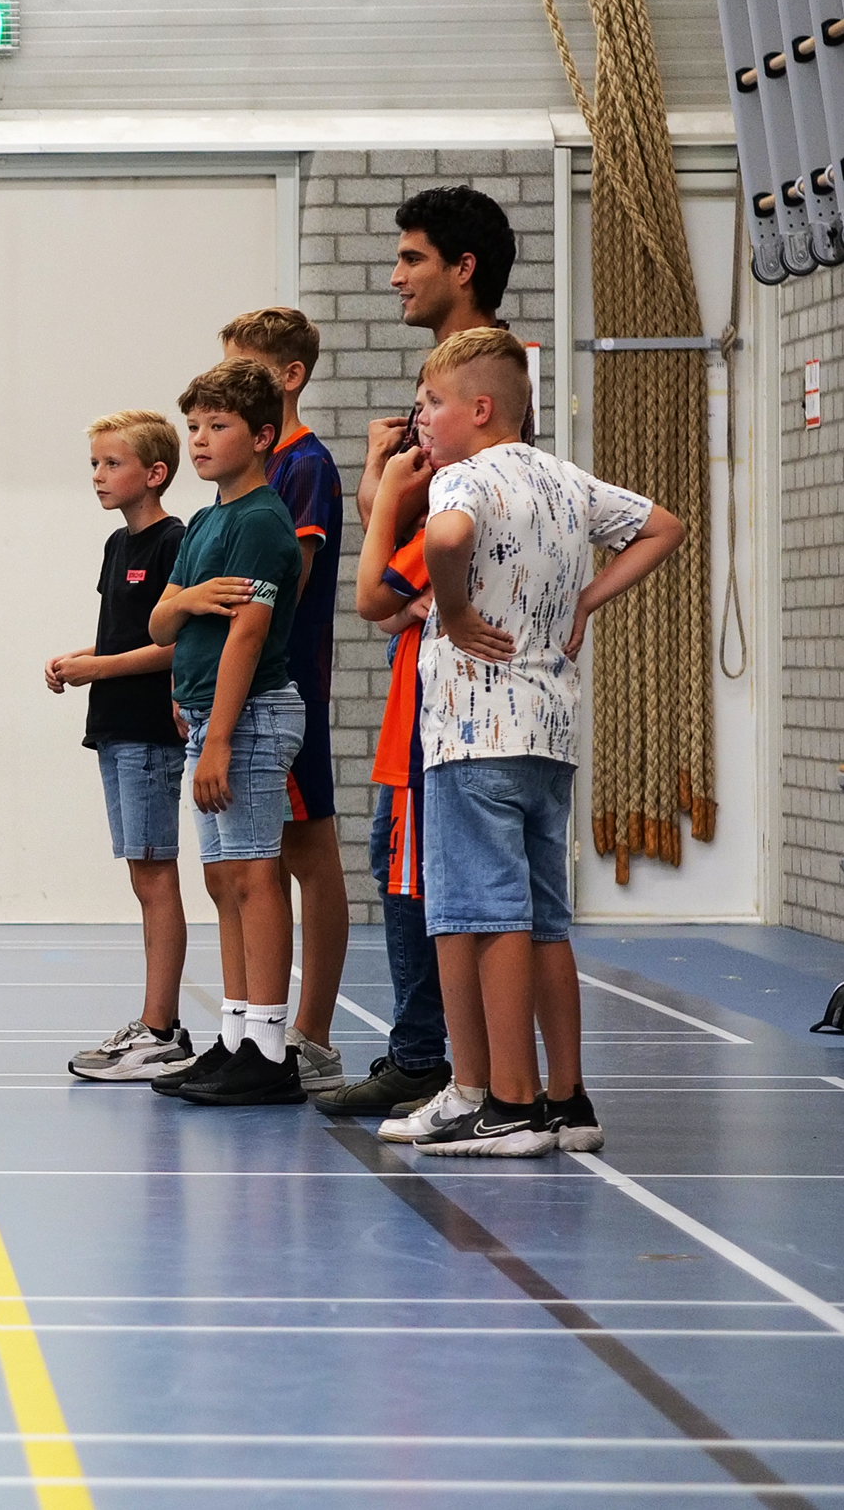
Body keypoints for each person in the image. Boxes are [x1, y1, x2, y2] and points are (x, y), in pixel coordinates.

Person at [376, 326, 682, 1155]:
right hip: (549, 732)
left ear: (479, 409)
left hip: (474, 735)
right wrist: (586, 599)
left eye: (431, 403)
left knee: (486, 911)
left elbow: (444, 542)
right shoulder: (561, 477)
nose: (421, 419)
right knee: (545, 919)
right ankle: (565, 1097)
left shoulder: (462, 479)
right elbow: (663, 526)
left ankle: (507, 1104)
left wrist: (459, 610)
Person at [327, 186, 518, 1124]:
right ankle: (460, 1067)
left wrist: (412, 594)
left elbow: (406, 567)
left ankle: (441, 1064)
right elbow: (399, 526)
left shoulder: (491, 387)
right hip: (428, 673)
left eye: (410, 259)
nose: (394, 276)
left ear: (462, 268)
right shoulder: (443, 386)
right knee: (406, 860)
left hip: (460, 687)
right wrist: (377, 479)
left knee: (428, 871)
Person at [144, 357, 310, 1107]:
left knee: (253, 874)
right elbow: (158, 620)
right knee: (221, 880)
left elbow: (247, 634)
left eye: (219, 426)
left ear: (262, 435)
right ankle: (237, 1035)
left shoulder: (260, 521)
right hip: (209, 718)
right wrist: (187, 600)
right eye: (194, 427)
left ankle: (271, 1050)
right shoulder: (207, 521)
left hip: (246, 720)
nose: (201, 440)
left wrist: (216, 737)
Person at [219, 308, 350, 1096]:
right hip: (254, 687)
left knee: (309, 854)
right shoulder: (254, 472)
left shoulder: (301, 466)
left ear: (287, 377)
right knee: (261, 857)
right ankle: (257, 1024)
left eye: (244, 369)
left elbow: (285, 580)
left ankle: (313, 1033)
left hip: (285, 685)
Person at [51, 410, 193, 1082]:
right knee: (143, 875)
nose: (98, 476)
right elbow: (118, 638)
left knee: (152, 874)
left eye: (111, 464)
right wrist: (77, 658)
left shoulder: (172, 541)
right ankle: (154, 1023)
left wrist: (96, 669)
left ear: (154, 474)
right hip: (112, 727)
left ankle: (160, 1029)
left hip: (146, 731)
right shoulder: (117, 546)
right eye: (94, 464)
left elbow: (171, 647)